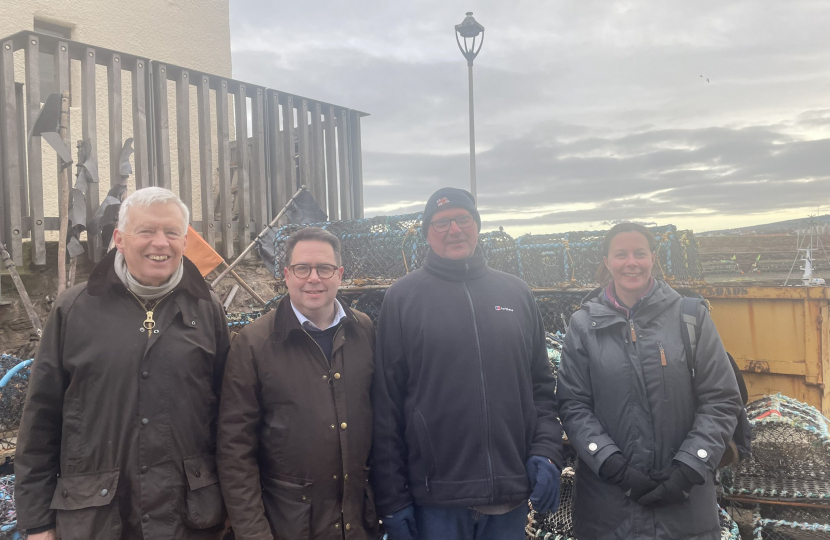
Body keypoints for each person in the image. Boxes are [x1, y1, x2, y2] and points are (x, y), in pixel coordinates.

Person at [15, 187, 230, 540]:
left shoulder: (208, 310)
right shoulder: (74, 310)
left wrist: (233, 505)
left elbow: (227, 416)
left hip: (189, 519)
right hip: (96, 520)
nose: (160, 243)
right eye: (146, 231)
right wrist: (37, 522)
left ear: (185, 241)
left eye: (172, 232)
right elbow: (41, 420)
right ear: (119, 239)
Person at [371, 188, 563, 540]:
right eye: (441, 223)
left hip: (509, 497)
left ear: (477, 226)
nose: (454, 229)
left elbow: (541, 390)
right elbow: (386, 406)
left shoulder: (516, 293)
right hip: (436, 502)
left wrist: (548, 452)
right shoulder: (402, 298)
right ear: (428, 233)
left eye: (463, 219)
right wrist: (392, 500)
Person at [556, 223, 743, 540]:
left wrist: (687, 470)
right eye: (621, 254)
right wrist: (614, 466)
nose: (632, 262)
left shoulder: (692, 316)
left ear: (653, 257)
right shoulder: (583, 324)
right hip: (607, 508)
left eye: (640, 253)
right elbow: (573, 404)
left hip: (687, 508)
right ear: (607, 261)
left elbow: (722, 399)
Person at [217, 227, 378, 540]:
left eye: (324, 268)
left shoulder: (364, 330)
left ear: (340, 274)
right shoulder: (254, 343)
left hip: (357, 523)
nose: (314, 278)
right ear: (287, 275)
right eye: (303, 268)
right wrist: (253, 533)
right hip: (288, 526)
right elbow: (235, 449)